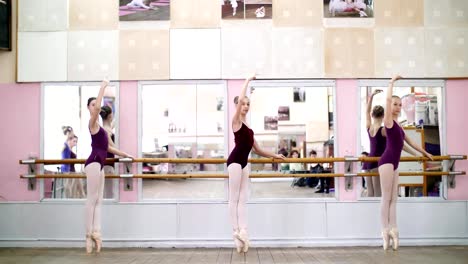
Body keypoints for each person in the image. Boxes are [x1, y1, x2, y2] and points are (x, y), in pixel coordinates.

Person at [227, 74, 285, 254]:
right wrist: (247, 81)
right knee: (234, 198)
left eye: (248, 104)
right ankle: (235, 232)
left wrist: (275, 156)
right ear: (238, 106)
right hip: (235, 161)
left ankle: (243, 231)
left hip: (244, 163)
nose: (245, 106)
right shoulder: (236, 122)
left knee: (243, 198)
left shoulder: (250, 129)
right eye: (243, 104)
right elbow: (242, 95)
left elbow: (258, 150)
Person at [378, 75, 433, 251]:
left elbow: (409, 144)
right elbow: (387, 99)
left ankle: (394, 230)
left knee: (395, 199)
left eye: (399, 105)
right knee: (386, 198)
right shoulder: (388, 122)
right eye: (395, 104)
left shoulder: (399, 127)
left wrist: (424, 154)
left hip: (395, 164)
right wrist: (392, 83)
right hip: (386, 162)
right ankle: (384, 231)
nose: (397, 107)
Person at [84, 79, 133, 254]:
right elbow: (97, 109)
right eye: (91, 105)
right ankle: (88, 235)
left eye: (94, 104)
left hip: (100, 164)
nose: (94, 106)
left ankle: (97, 233)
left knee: (99, 201)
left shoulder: (102, 130)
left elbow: (109, 148)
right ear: (89, 108)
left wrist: (125, 154)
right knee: (91, 200)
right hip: (93, 163)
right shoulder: (92, 124)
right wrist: (103, 87)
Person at [363, 89, 386, 197]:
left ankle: (369, 213)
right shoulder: (383, 130)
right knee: (378, 194)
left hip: (368, 161)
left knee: (370, 193)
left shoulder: (369, 127)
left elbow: (366, 112)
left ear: (372, 115)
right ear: (383, 116)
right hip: (377, 162)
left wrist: (371, 96)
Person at [100, 105, 116, 199]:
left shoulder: (105, 129)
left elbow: (111, 125)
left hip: (106, 164)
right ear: (110, 116)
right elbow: (112, 147)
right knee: (109, 193)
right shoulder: (107, 131)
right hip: (108, 165)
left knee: (107, 191)